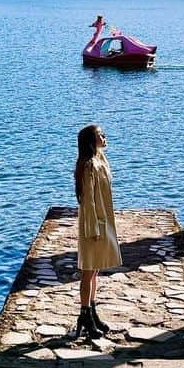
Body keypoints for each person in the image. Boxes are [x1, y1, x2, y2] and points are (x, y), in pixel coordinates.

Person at [72, 123, 122, 341]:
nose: (104, 137)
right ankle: (84, 314)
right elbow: (88, 201)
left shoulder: (101, 160)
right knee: (88, 270)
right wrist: (93, 228)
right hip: (94, 224)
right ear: (91, 141)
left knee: (95, 270)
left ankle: (91, 311)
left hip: (103, 220)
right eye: (100, 135)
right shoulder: (88, 165)